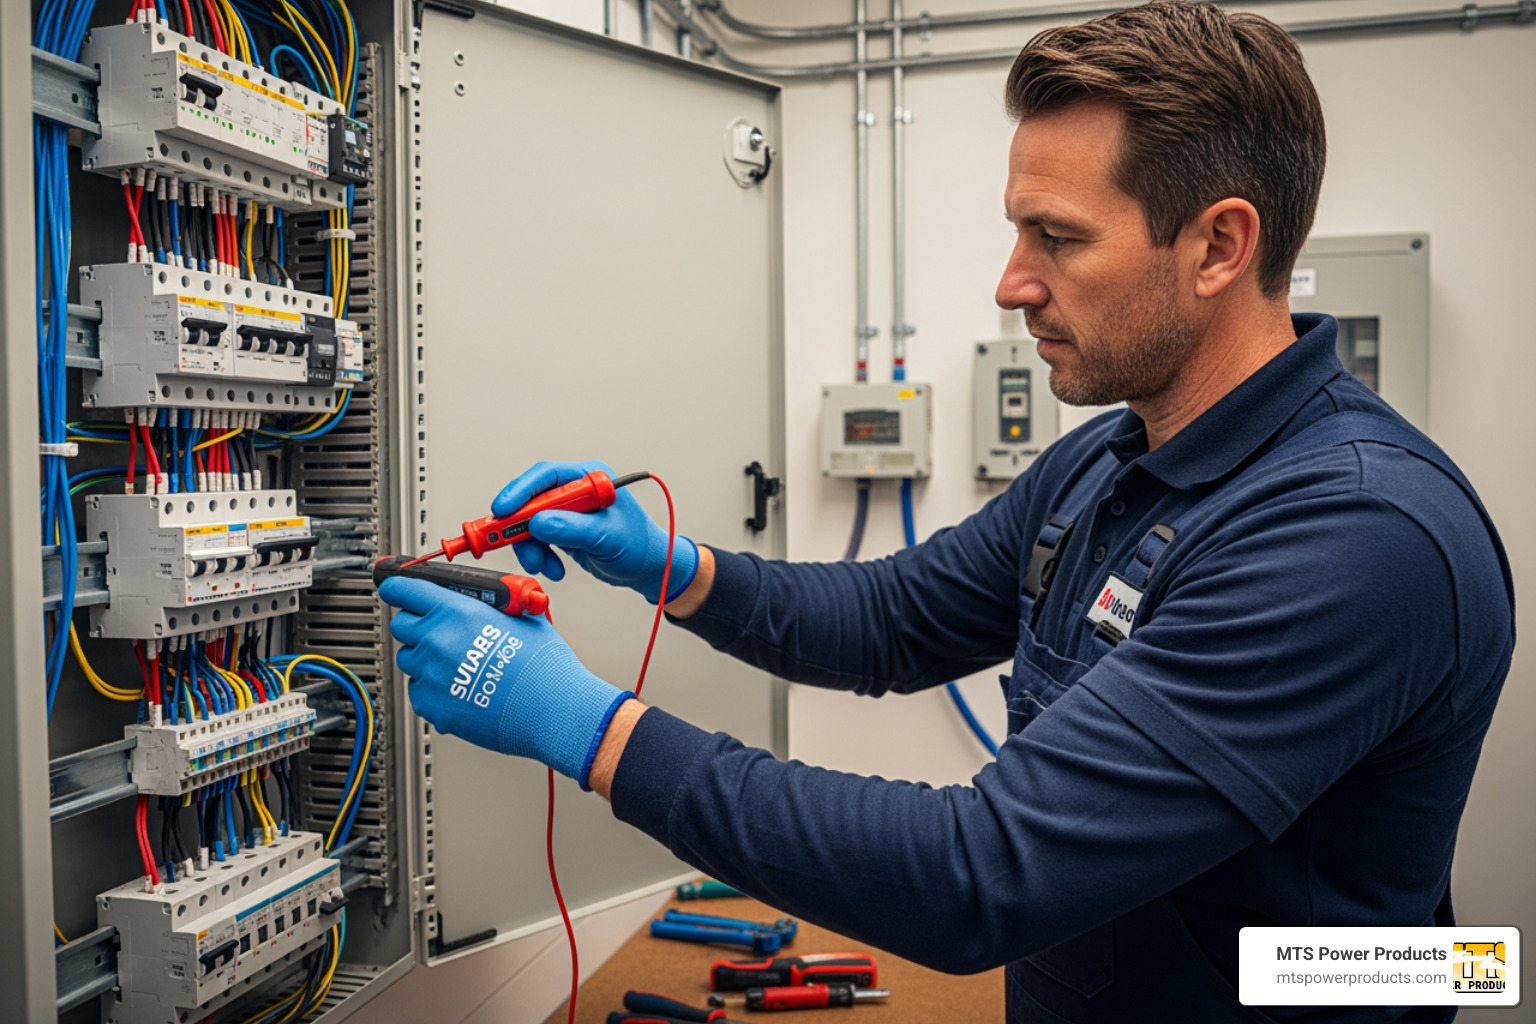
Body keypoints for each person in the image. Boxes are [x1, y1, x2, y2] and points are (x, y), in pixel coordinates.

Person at [377, 3, 1514, 1020]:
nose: (1013, 281)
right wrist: (670, 565)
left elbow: (981, 871)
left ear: (1219, 244)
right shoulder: (1114, 464)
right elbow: (887, 618)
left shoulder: (1356, 539)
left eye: (1058, 237)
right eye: (1020, 231)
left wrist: (586, 726)